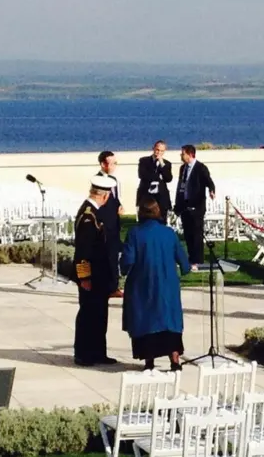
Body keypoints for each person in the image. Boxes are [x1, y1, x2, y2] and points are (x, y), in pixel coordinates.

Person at [120, 197, 190, 371]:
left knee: (146, 320)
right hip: (167, 287)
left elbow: (127, 262)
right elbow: (184, 263)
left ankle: (149, 360)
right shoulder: (169, 233)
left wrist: (122, 269)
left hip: (142, 286)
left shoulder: (135, 234)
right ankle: (174, 359)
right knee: (169, 322)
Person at [72, 175, 119, 367]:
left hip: (100, 275)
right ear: (105, 196)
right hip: (92, 275)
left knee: (99, 314)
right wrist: (85, 277)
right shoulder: (88, 216)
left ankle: (98, 352)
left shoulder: (93, 212)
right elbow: (83, 250)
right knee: (88, 314)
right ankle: (84, 353)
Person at [173, 144, 216, 272]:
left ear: (190, 154)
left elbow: (209, 181)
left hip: (197, 207)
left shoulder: (200, 168)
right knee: (188, 234)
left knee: (196, 234)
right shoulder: (183, 168)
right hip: (185, 206)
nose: (181, 156)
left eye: (183, 154)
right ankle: (191, 258)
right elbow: (181, 186)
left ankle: (197, 260)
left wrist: (212, 190)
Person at [95, 150, 124, 298]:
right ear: (102, 164)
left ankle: (114, 286)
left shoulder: (114, 180)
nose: (113, 166)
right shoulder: (98, 180)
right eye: (110, 163)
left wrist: (119, 206)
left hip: (115, 223)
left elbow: (116, 197)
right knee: (105, 256)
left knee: (114, 256)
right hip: (104, 223)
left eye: (115, 163)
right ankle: (108, 286)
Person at [136, 140, 173, 223]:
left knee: (162, 221)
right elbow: (142, 175)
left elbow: (168, 179)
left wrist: (162, 165)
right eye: (157, 150)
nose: (159, 152)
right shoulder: (144, 161)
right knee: (145, 220)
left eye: (162, 151)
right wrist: (158, 176)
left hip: (161, 197)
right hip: (146, 195)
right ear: (153, 148)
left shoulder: (166, 164)